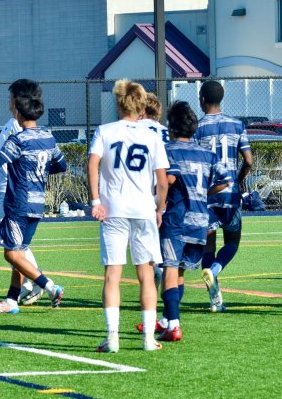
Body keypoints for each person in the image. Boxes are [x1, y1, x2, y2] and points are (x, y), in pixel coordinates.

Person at [88, 79, 169, 353]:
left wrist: (96, 201)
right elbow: (162, 181)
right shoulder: (153, 136)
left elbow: (92, 164)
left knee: (113, 274)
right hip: (143, 210)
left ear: (118, 103)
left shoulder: (105, 131)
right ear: (142, 105)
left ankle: (112, 337)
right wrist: (159, 208)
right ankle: (148, 339)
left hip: (113, 210)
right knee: (146, 275)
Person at [0, 79, 67, 315]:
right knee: (19, 251)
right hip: (37, 204)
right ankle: (12, 299)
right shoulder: (47, 137)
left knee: (11, 253)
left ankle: (49, 286)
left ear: (18, 110)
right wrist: (40, 171)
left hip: (18, 203)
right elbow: (61, 165)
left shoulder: (17, 139)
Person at [149, 101, 231, 342]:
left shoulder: (167, 151)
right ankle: (167, 320)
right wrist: (203, 193)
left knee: (169, 268)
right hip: (200, 220)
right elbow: (225, 181)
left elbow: (168, 180)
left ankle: (173, 325)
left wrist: (157, 200)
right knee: (179, 271)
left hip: (176, 219)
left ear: (171, 127)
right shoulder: (208, 154)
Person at [192, 80, 253, 312]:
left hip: (207, 195)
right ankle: (215, 270)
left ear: (202, 100)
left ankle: (215, 299)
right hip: (230, 194)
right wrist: (238, 180)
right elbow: (248, 161)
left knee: (208, 246)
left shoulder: (197, 128)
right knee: (232, 243)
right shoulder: (237, 125)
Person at [0, 115, 46, 306]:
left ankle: (38, 281)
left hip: (12, 190)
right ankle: (27, 284)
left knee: (15, 244)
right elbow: (0, 152)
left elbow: (9, 157)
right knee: (15, 242)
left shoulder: (19, 126)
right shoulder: (11, 123)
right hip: (6, 188)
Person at [138, 92, 169, 288]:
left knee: (141, 244)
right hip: (167, 191)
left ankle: (154, 270)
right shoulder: (166, 131)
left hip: (142, 192)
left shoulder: (135, 129)